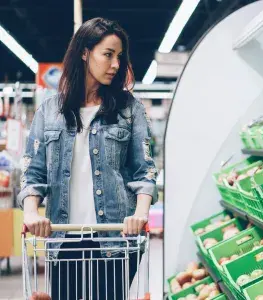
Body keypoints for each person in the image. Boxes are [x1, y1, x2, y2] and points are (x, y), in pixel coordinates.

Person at [19, 17, 158, 300]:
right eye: (108, 55)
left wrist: (140, 214)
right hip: (63, 238)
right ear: (85, 52)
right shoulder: (49, 111)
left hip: (116, 238)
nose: (116, 64)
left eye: (119, 56)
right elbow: (33, 173)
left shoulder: (129, 109)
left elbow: (144, 171)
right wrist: (32, 213)